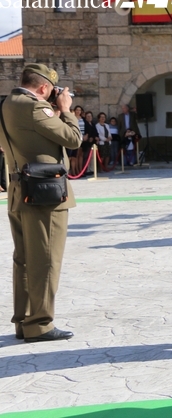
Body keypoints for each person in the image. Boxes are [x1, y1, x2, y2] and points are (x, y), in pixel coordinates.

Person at [0, 63, 82, 342]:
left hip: (19, 190)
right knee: (45, 260)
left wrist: (54, 113)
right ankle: (40, 324)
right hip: (43, 194)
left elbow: (35, 137)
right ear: (44, 88)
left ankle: (24, 319)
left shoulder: (9, 103)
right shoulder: (36, 108)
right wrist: (67, 110)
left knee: (24, 259)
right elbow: (73, 139)